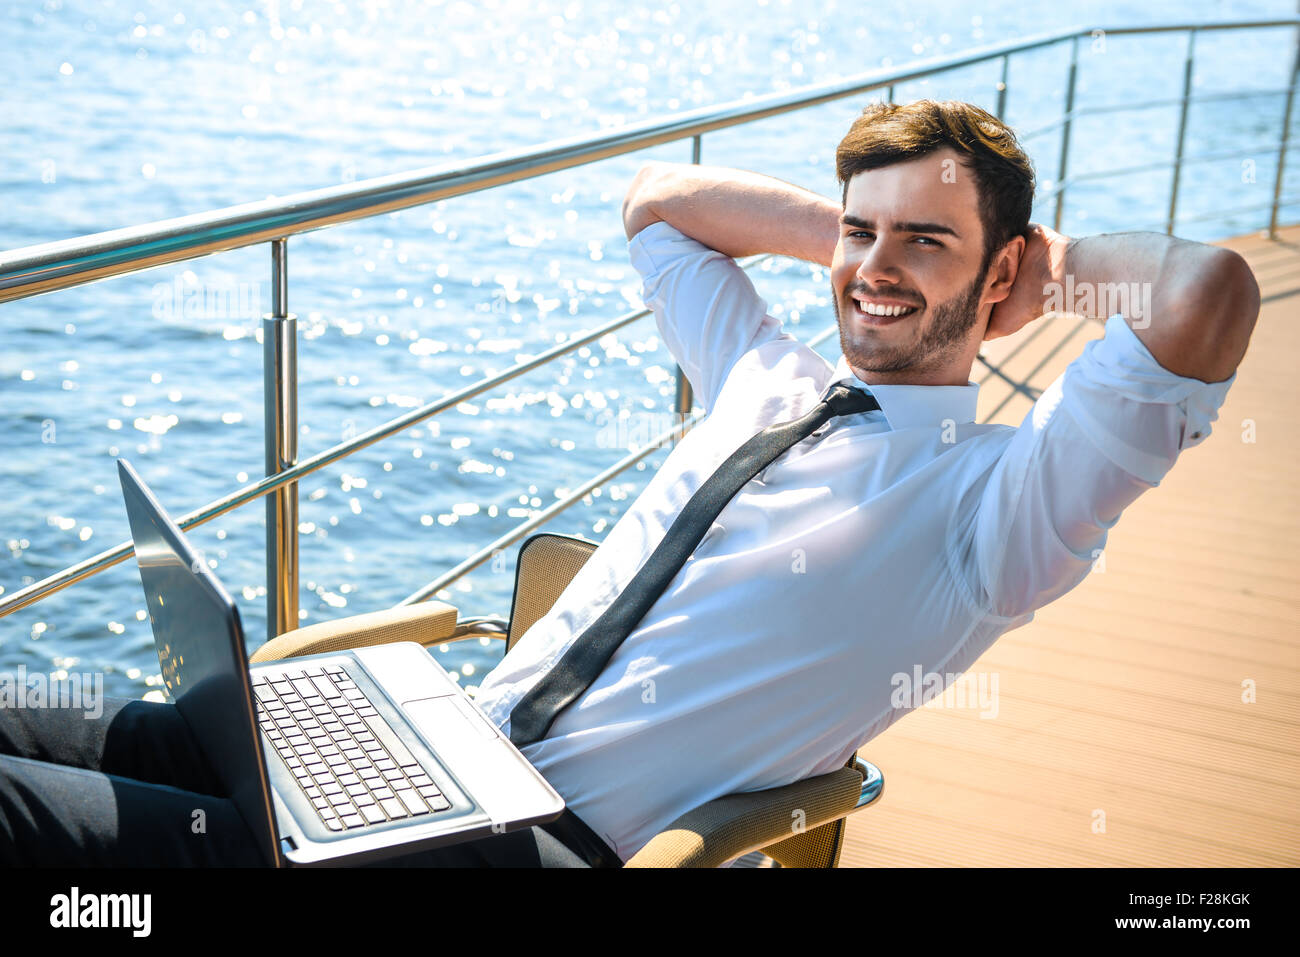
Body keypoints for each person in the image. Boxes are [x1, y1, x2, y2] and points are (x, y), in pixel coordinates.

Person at [0, 99, 1259, 867]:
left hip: (522, 849)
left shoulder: (1005, 506)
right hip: (431, 752)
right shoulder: (764, 377)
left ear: (1002, 279)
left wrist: (1031, 264)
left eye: (926, 243)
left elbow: (1207, 295)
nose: (876, 266)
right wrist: (877, 247)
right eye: (859, 229)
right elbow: (657, 206)